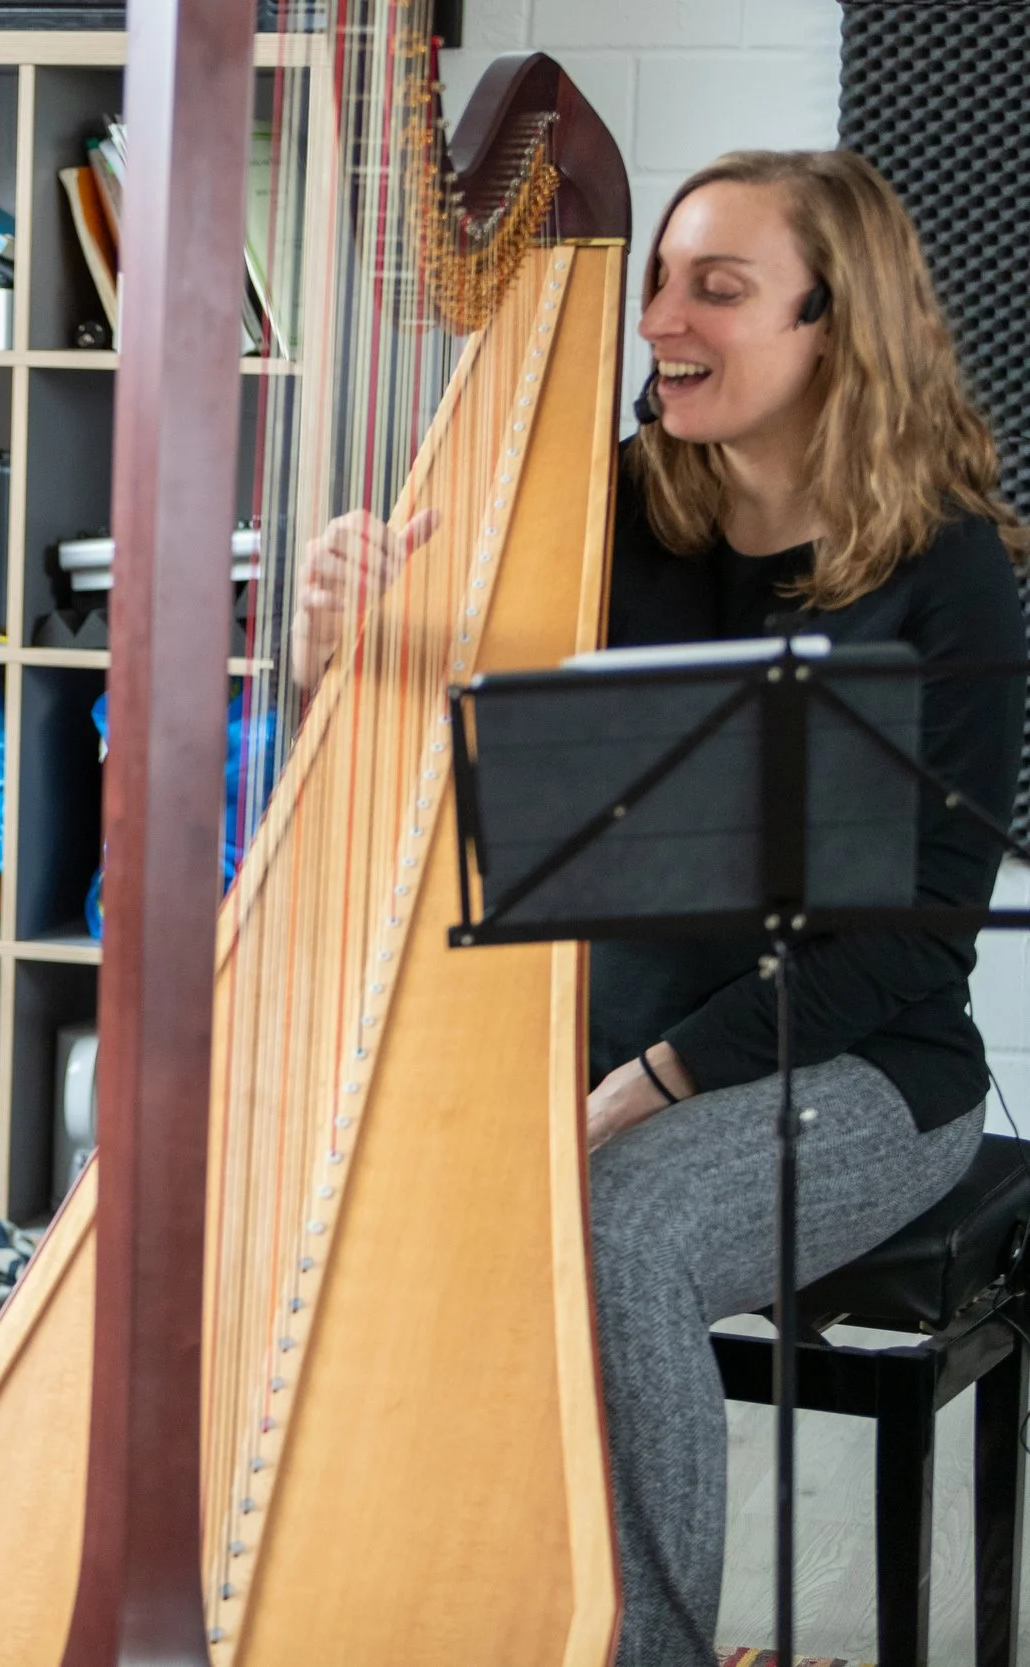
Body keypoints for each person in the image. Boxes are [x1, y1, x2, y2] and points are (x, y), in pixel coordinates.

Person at [292, 150, 1027, 1665]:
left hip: (863, 1070)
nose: (660, 320)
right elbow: (416, 768)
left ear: (838, 326)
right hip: (601, 1049)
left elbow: (915, 939)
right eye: (661, 277)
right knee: (297, 1161)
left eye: (719, 287)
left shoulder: (950, 577)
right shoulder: (598, 510)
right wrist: (329, 643)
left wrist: (653, 1079)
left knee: (622, 1224)